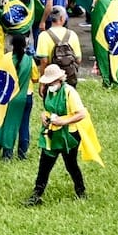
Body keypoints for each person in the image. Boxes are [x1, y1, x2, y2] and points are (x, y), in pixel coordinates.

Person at [26, 62, 91, 204]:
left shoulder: (69, 92)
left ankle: (81, 192)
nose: (50, 85)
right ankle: (36, 195)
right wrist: (44, 115)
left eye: (52, 82)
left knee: (71, 165)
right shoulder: (49, 91)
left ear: (60, 79)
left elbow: (81, 114)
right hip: (51, 134)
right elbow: (48, 109)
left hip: (69, 135)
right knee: (44, 164)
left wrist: (63, 122)